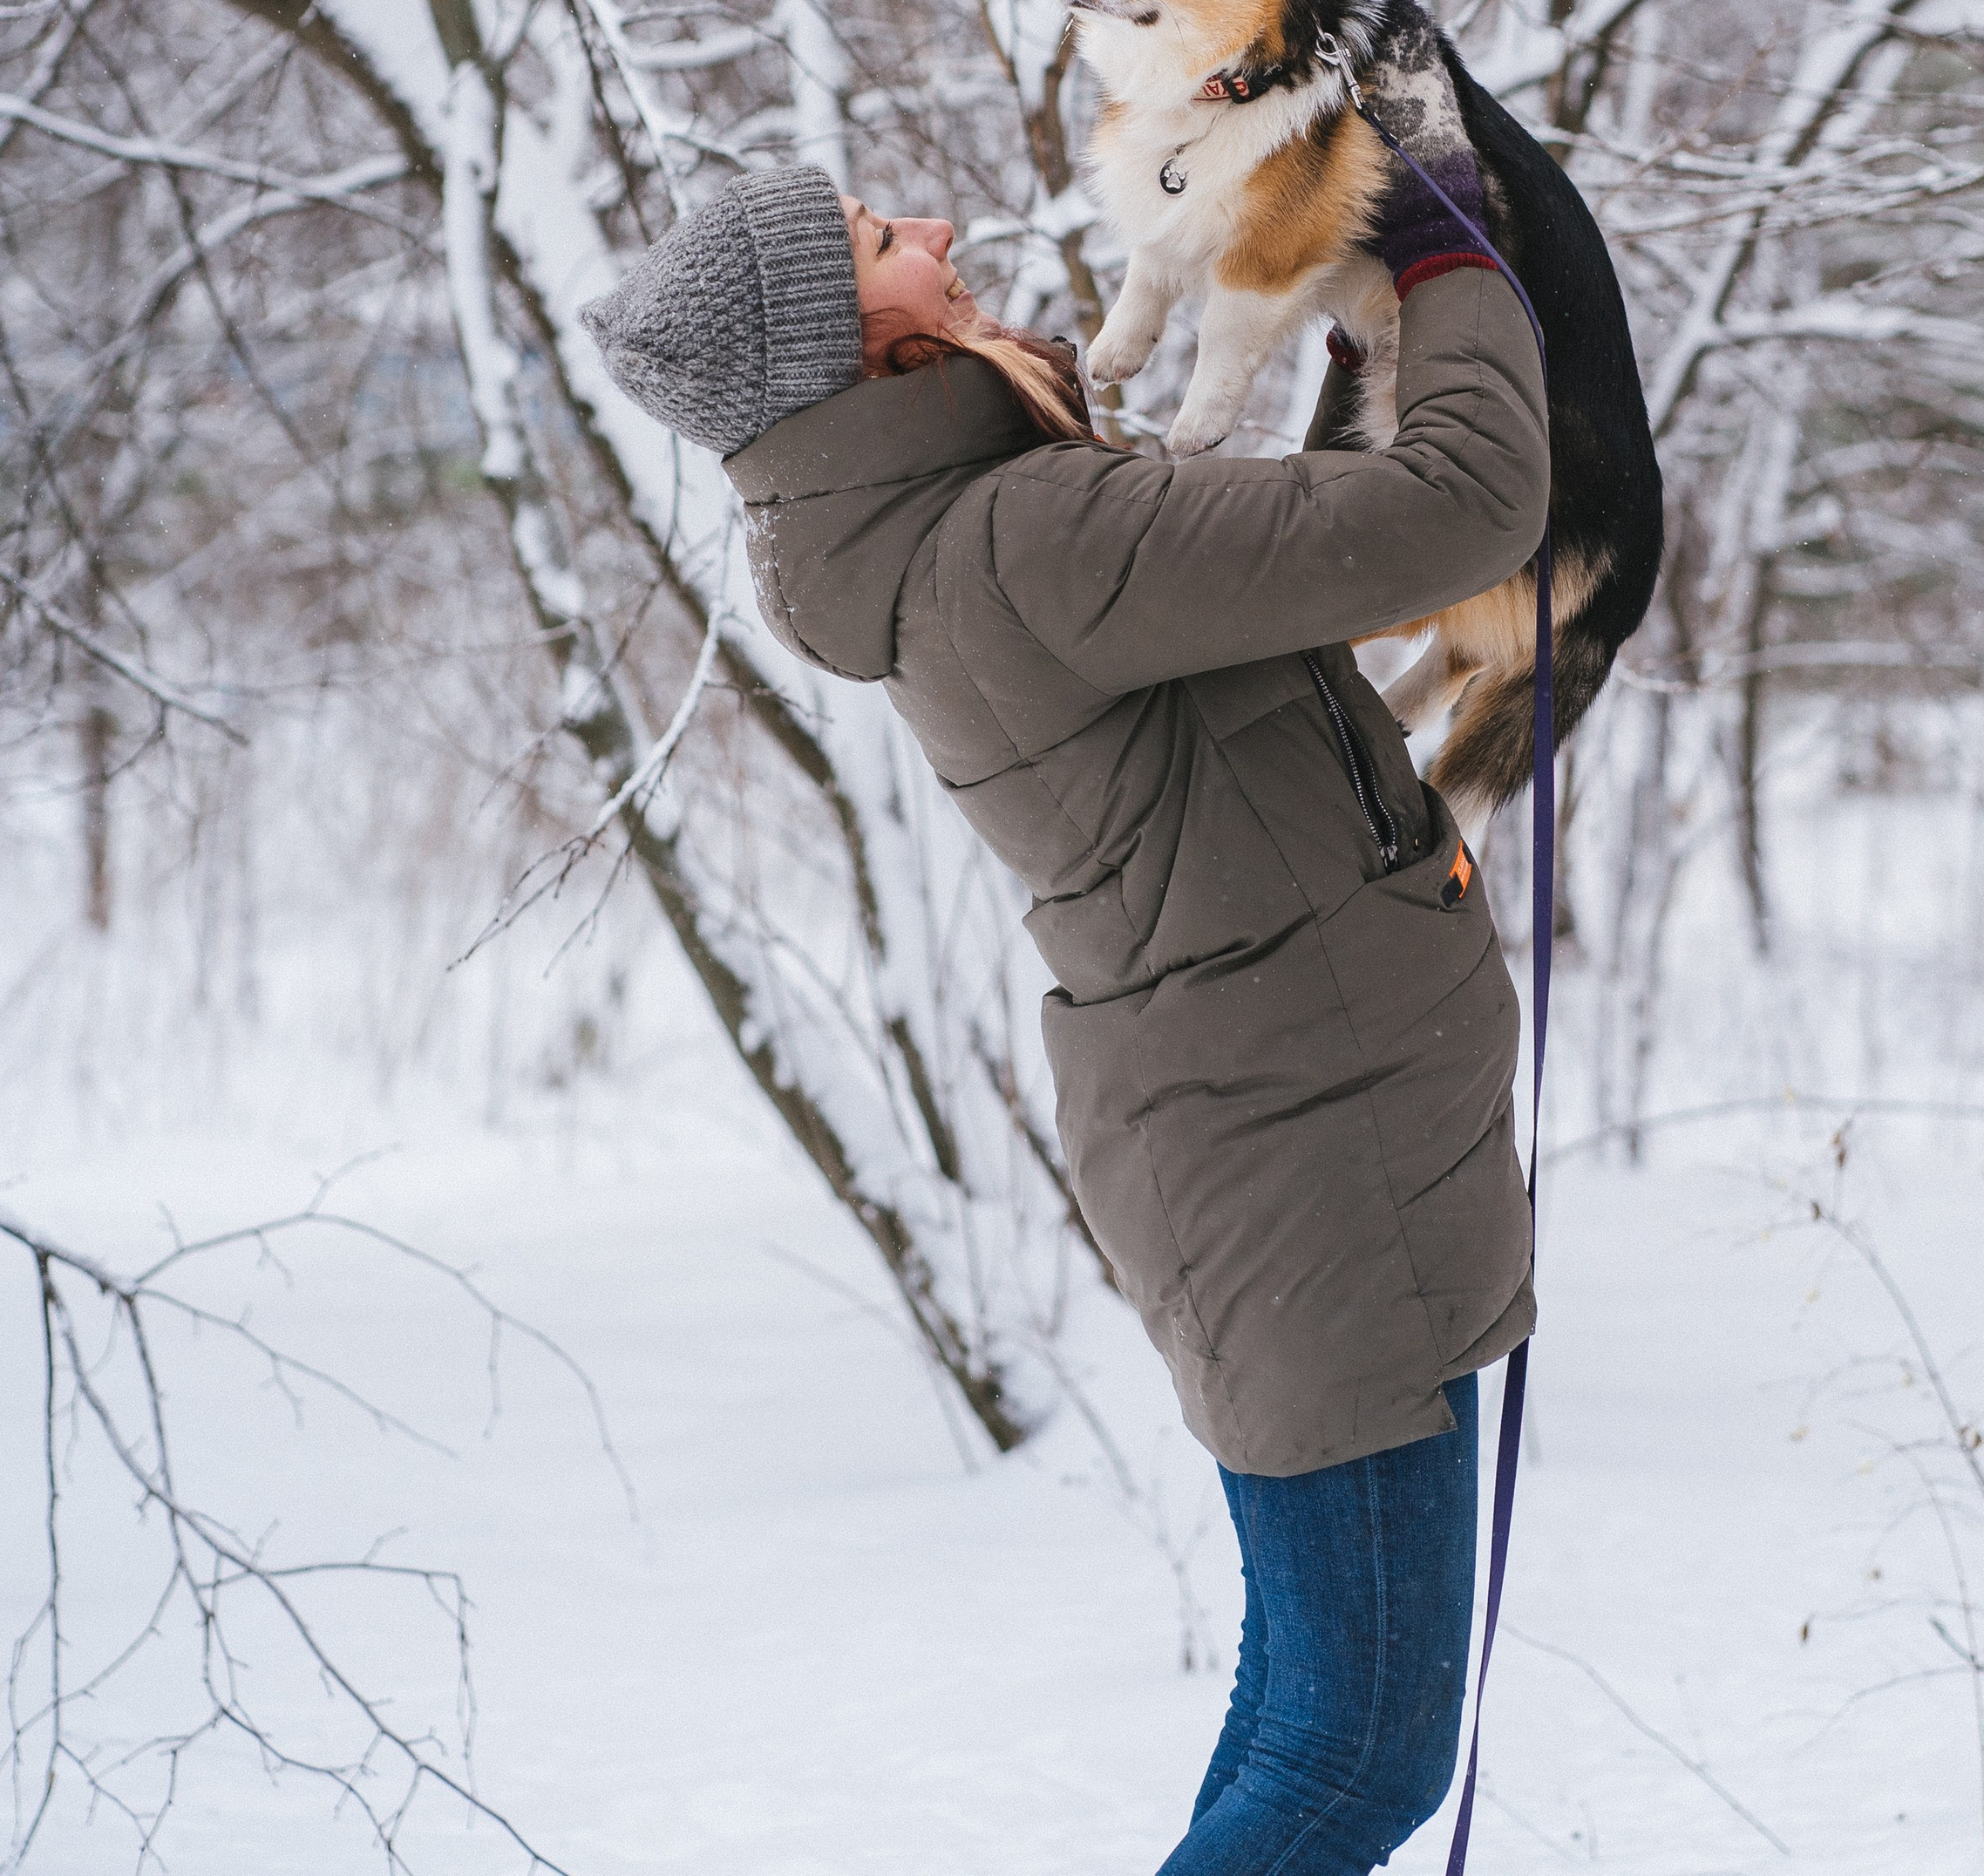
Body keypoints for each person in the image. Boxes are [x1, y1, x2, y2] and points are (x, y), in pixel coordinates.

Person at [583, 151, 1549, 1874]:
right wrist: (1446, 256)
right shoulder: (1027, 540)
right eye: (884, 244)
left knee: (1303, 1721)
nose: (936, 234)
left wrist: (1364, 347)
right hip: (1307, 1170)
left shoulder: (977, 538)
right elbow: (1467, 508)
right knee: (1356, 1760)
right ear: (849, 352)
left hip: (1279, 1148)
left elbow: (1277, 591)